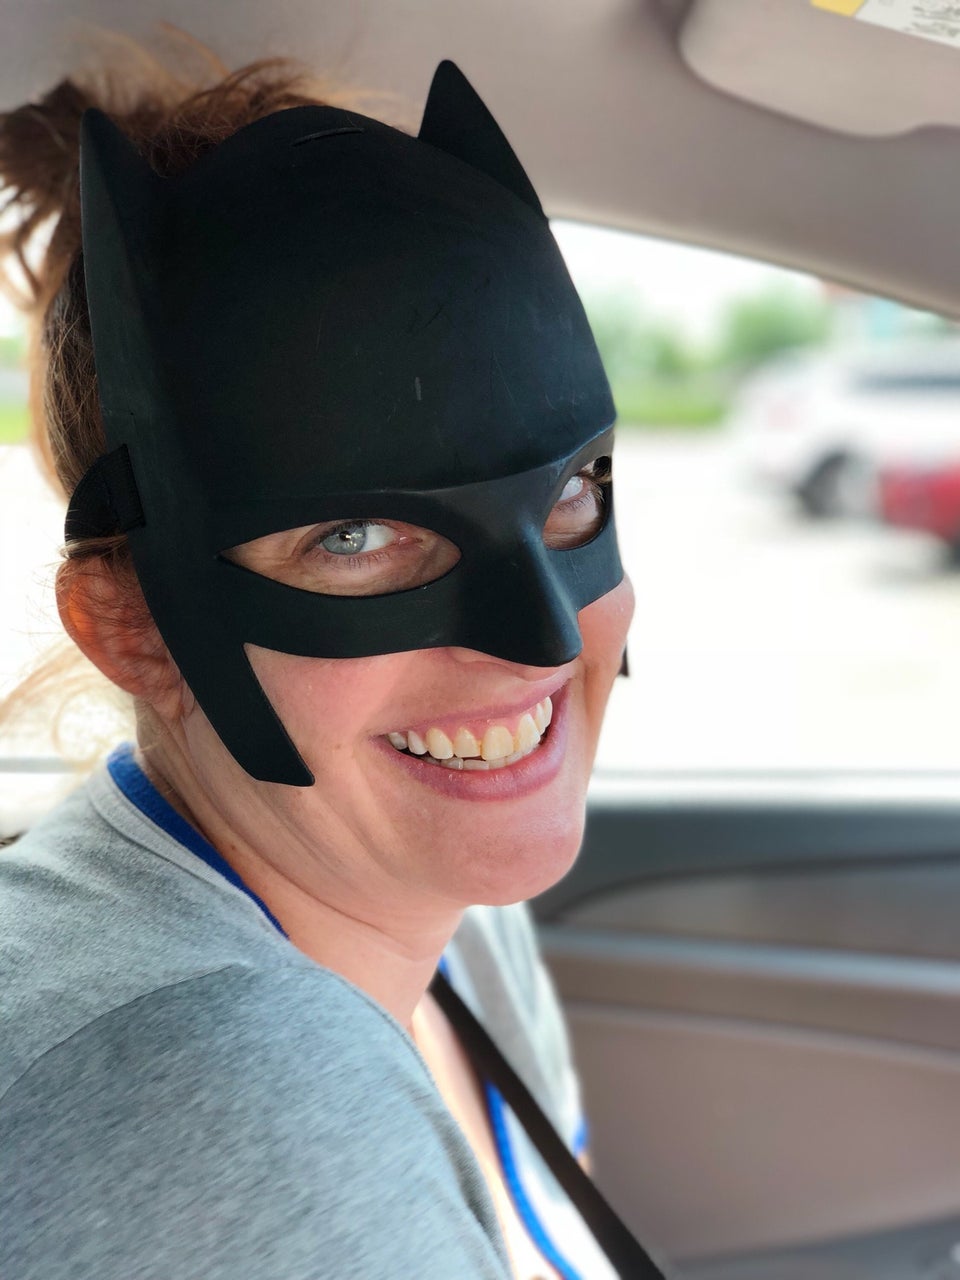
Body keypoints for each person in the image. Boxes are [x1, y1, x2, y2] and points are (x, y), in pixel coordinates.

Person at [0, 36, 637, 1280]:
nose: (544, 639)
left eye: (569, 491)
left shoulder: (442, 915)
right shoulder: (217, 1098)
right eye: (356, 537)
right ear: (130, 626)